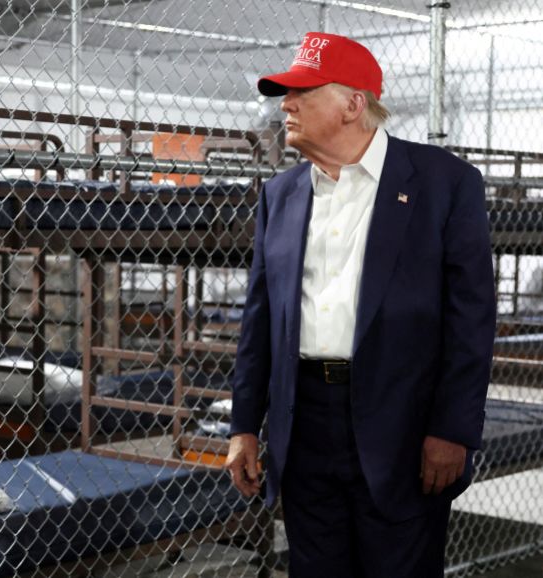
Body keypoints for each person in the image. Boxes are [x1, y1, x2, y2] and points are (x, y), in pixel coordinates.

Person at [225, 31, 496, 577]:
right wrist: (244, 425)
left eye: (303, 92)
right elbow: (261, 321)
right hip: (304, 427)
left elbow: (471, 322)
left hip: (403, 426)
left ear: (354, 104)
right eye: (285, 94)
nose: (287, 105)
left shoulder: (444, 184)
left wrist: (453, 430)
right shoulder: (280, 195)